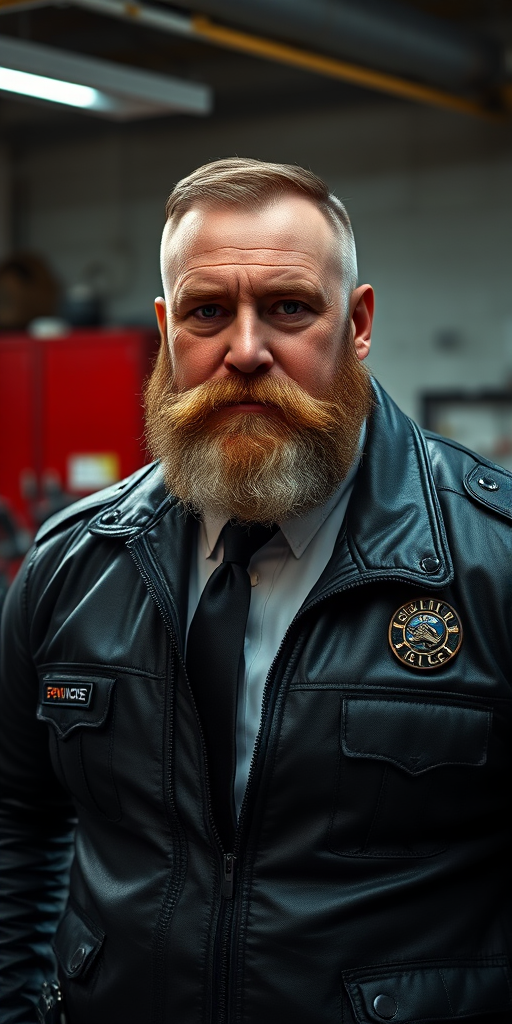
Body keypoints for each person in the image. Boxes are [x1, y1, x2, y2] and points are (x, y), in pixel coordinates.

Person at [1, 157, 511, 1024]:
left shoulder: (489, 562)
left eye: (288, 308)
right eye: (207, 313)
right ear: (167, 332)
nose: (244, 350)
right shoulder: (73, 566)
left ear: (357, 323)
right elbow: (16, 819)